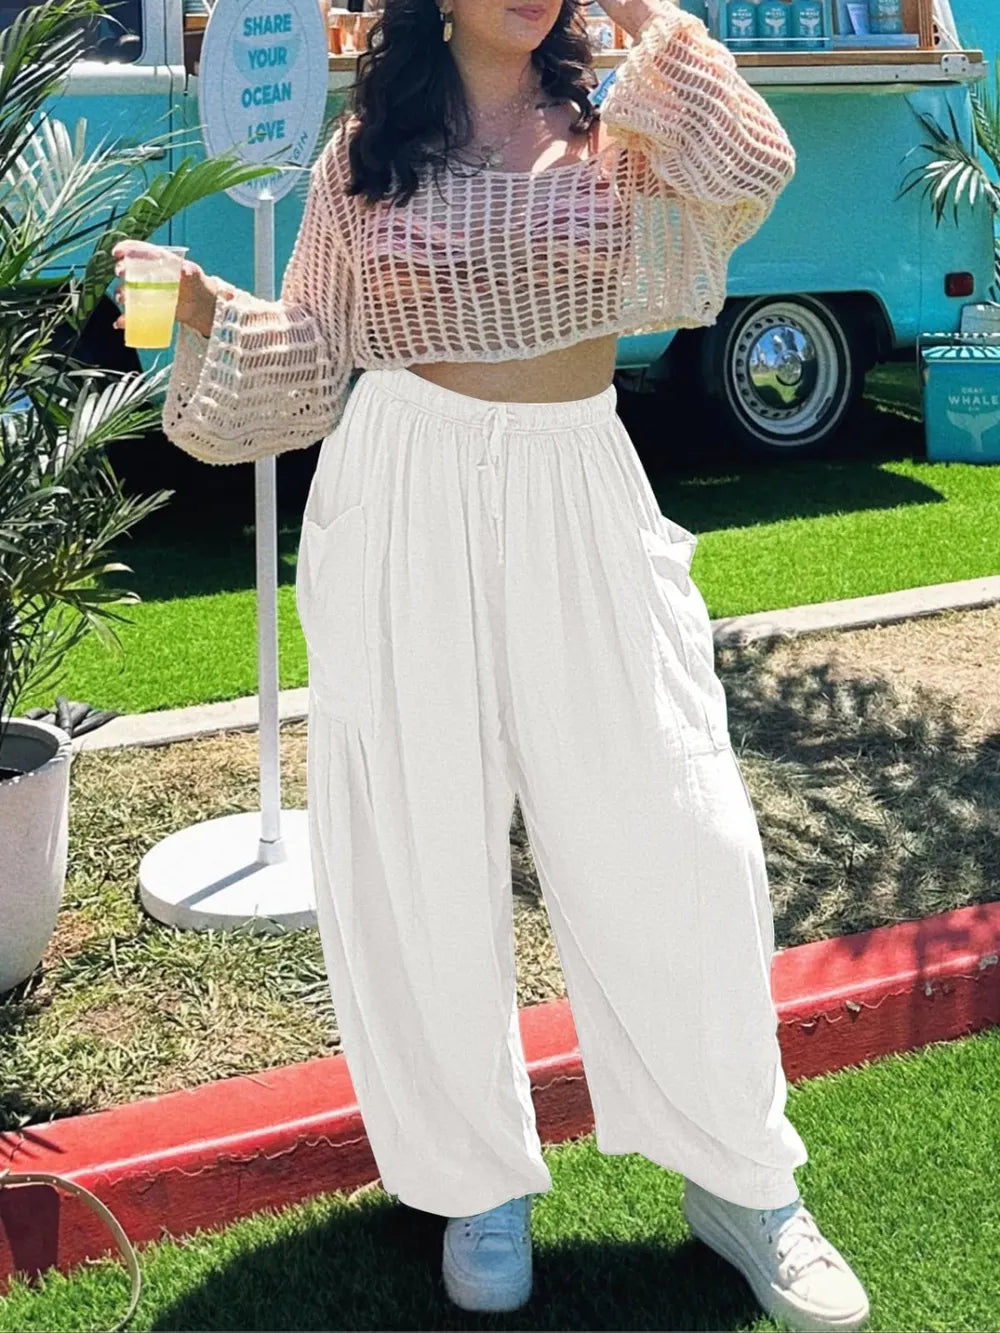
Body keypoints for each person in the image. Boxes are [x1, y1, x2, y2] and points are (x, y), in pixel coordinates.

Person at [113, 1, 870, 1327]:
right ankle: (474, 1179)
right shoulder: (365, 152)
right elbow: (316, 357)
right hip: (403, 489)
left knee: (680, 833)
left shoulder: (622, 118)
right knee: (419, 845)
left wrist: (645, 18)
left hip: (584, 485)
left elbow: (755, 167)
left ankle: (744, 1179)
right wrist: (199, 310)